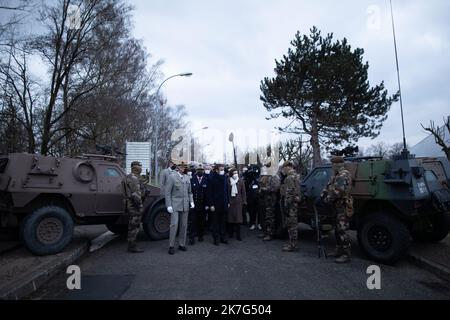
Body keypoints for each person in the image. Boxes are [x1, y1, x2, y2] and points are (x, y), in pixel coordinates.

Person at [322, 156, 354, 263]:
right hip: (337, 206)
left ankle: (346, 254)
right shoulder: (336, 175)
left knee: (342, 230)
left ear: (337, 164)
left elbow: (338, 192)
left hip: (343, 206)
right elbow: (329, 187)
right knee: (337, 229)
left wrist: (327, 199)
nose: (332, 166)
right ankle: (339, 250)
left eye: (333, 164)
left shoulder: (343, 175)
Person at [165, 161, 194, 255]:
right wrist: (168, 205)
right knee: (174, 225)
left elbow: (190, 192)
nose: (183, 169)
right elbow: (168, 192)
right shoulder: (172, 177)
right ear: (177, 167)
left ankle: (181, 244)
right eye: (181, 167)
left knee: (184, 225)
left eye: (184, 167)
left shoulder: (187, 178)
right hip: (175, 205)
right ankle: (171, 245)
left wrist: (192, 201)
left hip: (185, 205)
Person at [122, 161, 145, 253]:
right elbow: (136, 195)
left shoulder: (128, 177)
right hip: (134, 206)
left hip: (130, 205)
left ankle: (131, 245)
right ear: (135, 167)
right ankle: (132, 246)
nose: (141, 168)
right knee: (134, 227)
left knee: (132, 226)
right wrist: (140, 206)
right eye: (139, 166)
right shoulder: (133, 178)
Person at [281, 161, 302, 252]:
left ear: (288, 167)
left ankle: (293, 245)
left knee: (291, 225)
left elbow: (290, 193)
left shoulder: (289, 178)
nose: (283, 170)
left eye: (284, 168)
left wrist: (286, 205)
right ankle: (292, 242)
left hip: (291, 205)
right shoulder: (296, 176)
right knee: (293, 224)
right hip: (295, 203)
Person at [207, 164, 230, 245]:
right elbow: (209, 193)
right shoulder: (211, 178)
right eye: (221, 169)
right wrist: (211, 204)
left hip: (224, 204)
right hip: (215, 205)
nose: (222, 171)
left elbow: (227, 191)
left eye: (223, 169)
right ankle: (216, 239)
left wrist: (228, 202)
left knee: (223, 222)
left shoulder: (225, 178)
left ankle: (223, 237)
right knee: (215, 223)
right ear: (216, 170)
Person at [258, 162, 281, 241]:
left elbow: (275, 188)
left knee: (270, 217)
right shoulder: (265, 176)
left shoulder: (274, 176)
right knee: (264, 217)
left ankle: (270, 234)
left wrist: (264, 189)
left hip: (271, 199)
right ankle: (265, 232)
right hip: (265, 199)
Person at [188, 164, 209, 244]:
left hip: (203, 204)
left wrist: (207, 204)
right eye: (198, 170)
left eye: (201, 170)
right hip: (194, 204)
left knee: (202, 221)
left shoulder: (206, 180)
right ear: (196, 171)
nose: (200, 172)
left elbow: (207, 193)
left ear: (203, 171)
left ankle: (200, 236)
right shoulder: (192, 180)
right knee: (192, 222)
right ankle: (191, 237)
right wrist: (191, 203)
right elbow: (190, 192)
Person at [227, 168, 247, 241]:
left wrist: (244, 201)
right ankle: (231, 233)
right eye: (234, 173)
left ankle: (238, 235)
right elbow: (226, 192)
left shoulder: (240, 181)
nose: (236, 174)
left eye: (236, 173)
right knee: (230, 219)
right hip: (230, 202)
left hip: (238, 202)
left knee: (238, 219)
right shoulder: (228, 181)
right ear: (231, 174)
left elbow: (243, 192)